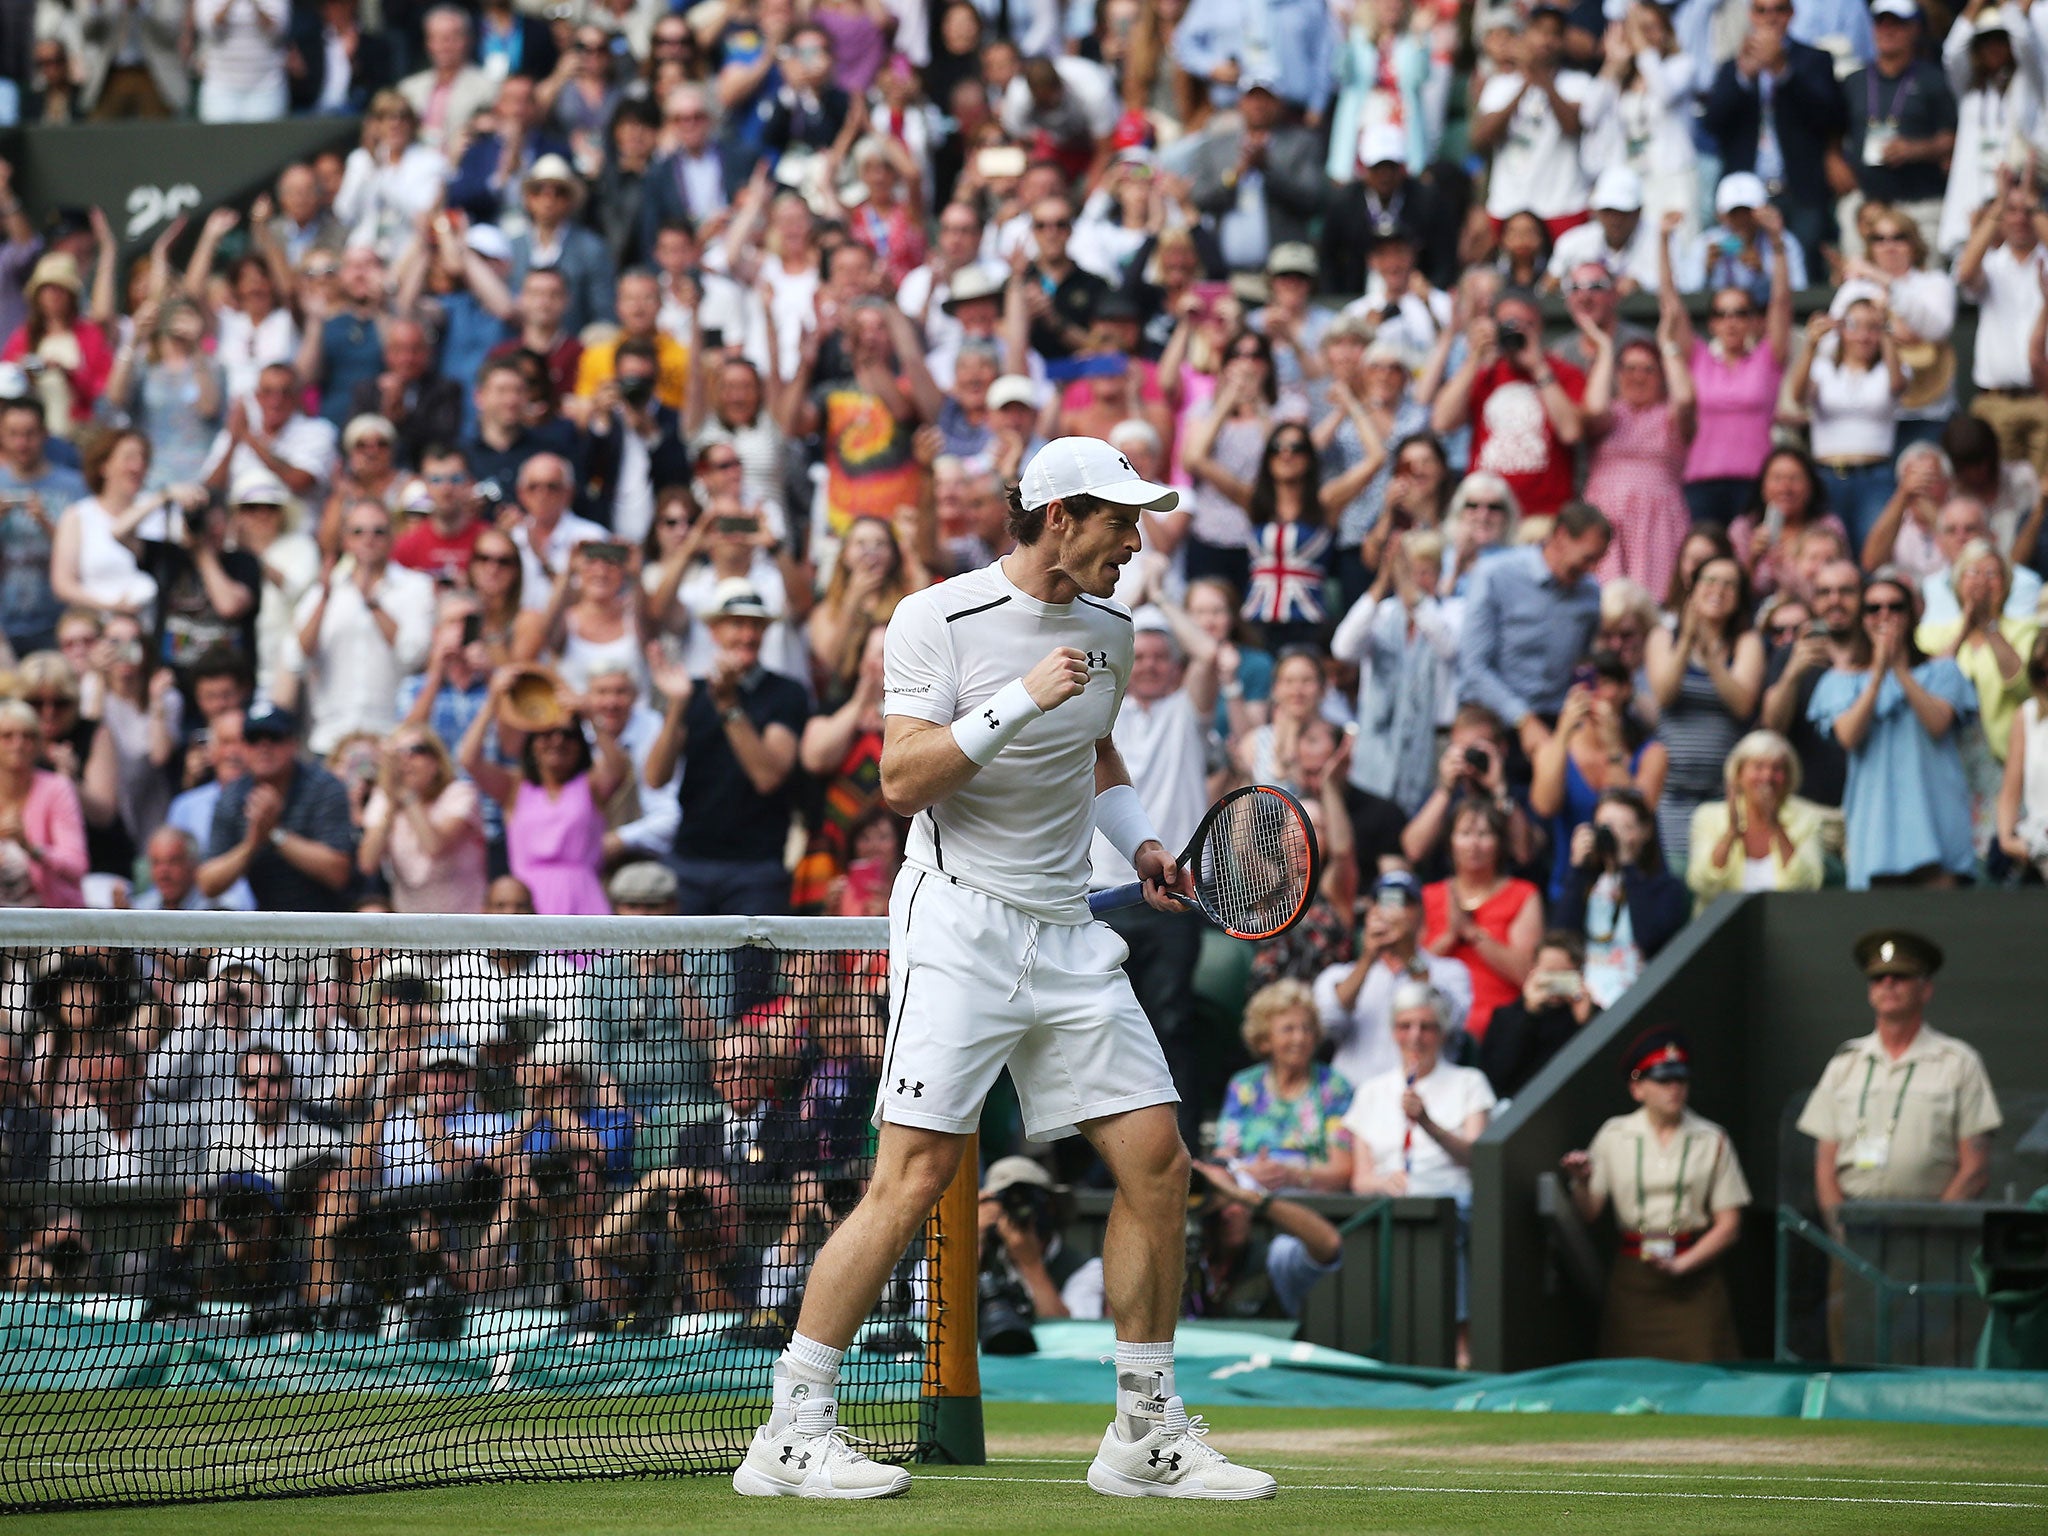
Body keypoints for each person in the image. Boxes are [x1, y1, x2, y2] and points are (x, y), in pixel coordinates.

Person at [733, 437, 1275, 1501]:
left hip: (1068, 927)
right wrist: (1018, 697)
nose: (1134, 540)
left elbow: (1098, 753)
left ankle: (1141, 1434)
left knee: (1157, 1163)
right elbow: (898, 777)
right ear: (1060, 514)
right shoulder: (934, 617)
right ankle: (790, 1431)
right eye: (1120, 520)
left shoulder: (1112, 628)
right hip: (957, 927)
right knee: (913, 1178)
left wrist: (1143, 847)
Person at [1560, 1027, 1751, 1362]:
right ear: (1638, 1088)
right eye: (1663, 1081)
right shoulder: (1615, 1135)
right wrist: (1581, 1182)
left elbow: (1729, 1224)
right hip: (1636, 1272)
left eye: (1680, 1080)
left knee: (1703, 1370)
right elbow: (1590, 1212)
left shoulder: (1711, 1138)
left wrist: (1683, 1264)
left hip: (1695, 1273)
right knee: (1629, 1372)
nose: (1674, 1089)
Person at [1798, 930, 2002, 1227]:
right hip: (1854, 1227)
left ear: (1926, 990)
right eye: (1878, 979)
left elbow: (1975, 1168)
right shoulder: (1845, 1064)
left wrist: (1933, 1230)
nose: (1888, 984)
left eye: (1901, 977)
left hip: (1931, 1226)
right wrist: (1840, 1231)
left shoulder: (1958, 1062)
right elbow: (1824, 1166)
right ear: (1870, 993)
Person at [1343, 978, 1494, 1369]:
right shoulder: (1371, 1092)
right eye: (1405, 1026)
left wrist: (1427, 1123)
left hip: (1452, 1198)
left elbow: (1476, 1159)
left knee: (1451, 1216)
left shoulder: (1469, 1083)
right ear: (1393, 1032)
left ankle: (1462, 1337)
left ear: (1442, 1033)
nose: (1415, 1036)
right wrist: (1381, 1181)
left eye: (1426, 1026)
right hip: (1389, 1204)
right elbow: (1359, 1179)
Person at [647, 580, 808, 919]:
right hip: (690, 861)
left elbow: (767, 776)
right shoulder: (689, 692)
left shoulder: (786, 694)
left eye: (755, 625)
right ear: (713, 630)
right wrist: (677, 705)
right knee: (685, 972)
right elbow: (655, 776)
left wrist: (727, 703)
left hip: (756, 868)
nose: (747, 635)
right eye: (737, 623)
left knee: (750, 973)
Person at [1809, 569, 1978, 888]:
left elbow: (1938, 724)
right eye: (1874, 608)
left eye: (1895, 607)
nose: (1884, 615)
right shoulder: (1839, 681)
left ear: (1912, 614)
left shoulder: (1942, 672)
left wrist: (1899, 670)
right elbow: (1848, 735)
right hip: (1875, 831)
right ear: (1862, 618)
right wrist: (1877, 674)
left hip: (1937, 825)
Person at [1456, 501, 1612, 764]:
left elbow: (1583, 663)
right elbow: (1473, 667)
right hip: (1494, 722)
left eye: (1597, 561)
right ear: (1561, 536)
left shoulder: (1590, 593)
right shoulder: (1496, 575)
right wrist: (1522, 719)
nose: (1592, 569)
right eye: (1587, 558)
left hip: (1556, 726)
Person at [1699, 0, 1847, 262]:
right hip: (1746, 198)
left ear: (1791, 13)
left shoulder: (1815, 59)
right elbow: (1713, 124)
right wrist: (1744, 76)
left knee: (1802, 263)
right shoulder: (1732, 66)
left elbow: (1830, 117)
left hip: (1799, 191)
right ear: (1751, 15)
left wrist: (1782, 70)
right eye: (1762, 10)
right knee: (1743, 265)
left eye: (1779, 9)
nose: (1770, 18)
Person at [1645, 551, 1765, 867]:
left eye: (1729, 585)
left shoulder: (1746, 642)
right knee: (1676, 870)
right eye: (1710, 581)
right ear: (1693, 588)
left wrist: (1711, 656)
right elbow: (1664, 694)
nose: (1718, 590)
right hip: (1672, 793)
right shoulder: (1663, 637)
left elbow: (1742, 704)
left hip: (1724, 791)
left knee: (1719, 873)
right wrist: (1687, 640)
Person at [1430, 289, 1585, 520]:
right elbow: (1442, 421)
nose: (1516, 330)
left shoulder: (1563, 373)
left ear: (1540, 327)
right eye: (1508, 324)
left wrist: (1539, 368)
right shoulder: (1485, 373)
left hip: (1544, 515)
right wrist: (1475, 358)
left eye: (1526, 324)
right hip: (1487, 515)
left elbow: (1571, 433)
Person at [196, 701, 355, 911]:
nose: (264, 747)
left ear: (293, 743)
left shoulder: (323, 787)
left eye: (274, 737)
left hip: (330, 922)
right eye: (254, 739)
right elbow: (208, 883)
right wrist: (252, 844)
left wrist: (276, 834)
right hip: (267, 926)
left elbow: (338, 873)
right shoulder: (234, 795)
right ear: (243, 747)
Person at [1214, 981, 1354, 1194]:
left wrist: (1291, 1176)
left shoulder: (1333, 1086)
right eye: (1288, 1029)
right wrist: (1248, 1172)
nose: (1299, 1038)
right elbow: (1224, 1157)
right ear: (1265, 1039)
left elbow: (1343, 1170)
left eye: (1307, 1029)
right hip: (1247, 1192)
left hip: (1311, 1200)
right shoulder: (1244, 1086)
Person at [1422, 798, 1543, 1042]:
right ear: (1450, 842)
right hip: (1434, 1019)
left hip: (1500, 1023)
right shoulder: (1427, 896)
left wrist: (1472, 934)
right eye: (1465, 834)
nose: (1474, 844)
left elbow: (1527, 974)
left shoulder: (1522, 894)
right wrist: (1448, 939)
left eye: (1484, 834)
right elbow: (1409, 968)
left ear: (1500, 843)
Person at [1555, 788, 1689, 1006]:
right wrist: (1577, 869)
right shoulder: (1586, 882)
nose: (1611, 834)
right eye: (1605, 827)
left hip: (1637, 1001)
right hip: (1581, 998)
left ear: (1645, 831)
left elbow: (1650, 938)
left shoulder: (1666, 887)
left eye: (1624, 827)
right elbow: (1561, 940)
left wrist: (1628, 866)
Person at [1687, 729, 1827, 912]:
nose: (1767, 777)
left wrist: (1776, 826)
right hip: (1724, 935)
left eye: (1777, 769)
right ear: (1738, 774)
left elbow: (1808, 887)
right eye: (1759, 767)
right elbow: (1702, 885)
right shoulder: (1708, 817)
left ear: (1788, 777)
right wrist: (1730, 834)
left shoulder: (1807, 820)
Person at [357, 726, 487, 913]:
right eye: (398, 754)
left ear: (437, 762)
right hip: (410, 927)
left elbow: (434, 846)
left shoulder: (460, 793)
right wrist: (392, 805)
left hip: (464, 922)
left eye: (416, 751)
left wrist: (408, 797)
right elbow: (368, 863)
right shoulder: (384, 799)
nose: (406, 760)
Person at [1479, 931, 1596, 1100]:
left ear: (1579, 975)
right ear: (1533, 970)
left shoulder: (1591, 1014)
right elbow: (1498, 1075)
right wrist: (1530, 1014)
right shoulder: (1506, 1016)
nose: (1554, 982)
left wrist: (1585, 1024)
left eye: (1563, 975)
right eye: (1549, 973)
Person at [0, 698, 88, 907]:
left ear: (39, 744)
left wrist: (30, 848)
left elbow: (76, 865)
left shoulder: (57, 789)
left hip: (49, 917)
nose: (18, 744)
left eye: (28, 736)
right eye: (7, 736)